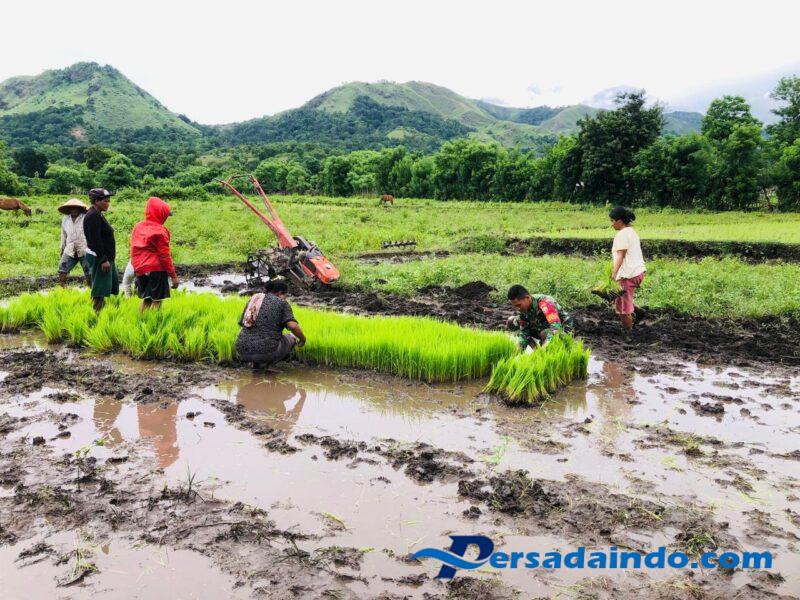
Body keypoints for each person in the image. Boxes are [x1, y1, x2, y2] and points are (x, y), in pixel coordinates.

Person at [236, 280, 307, 368]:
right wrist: (303, 339)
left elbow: (242, 323)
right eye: (286, 295)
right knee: (291, 338)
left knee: (263, 338)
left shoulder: (254, 300)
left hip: (242, 349)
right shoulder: (282, 303)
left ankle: (256, 367)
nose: (286, 298)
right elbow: (292, 326)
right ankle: (268, 366)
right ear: (280, 293)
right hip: (267, 352)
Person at [130, 197, 179, 311]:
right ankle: (154, 321)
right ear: (161, 214)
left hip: (141, 269)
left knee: (147, 299)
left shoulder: (138, 226)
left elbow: (133, 248)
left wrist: (137, 268)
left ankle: (142, 320)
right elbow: (164, 255)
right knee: (157, 300)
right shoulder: (161, 231)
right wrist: (173, 276)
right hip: (156, 269)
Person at [609, 206, 646, 331]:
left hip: (628, 275)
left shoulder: (622, 234)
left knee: (622, 310)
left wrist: (614, 273)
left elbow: (621, 256)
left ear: (619, 221)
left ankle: (628, 334)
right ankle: (638, 312)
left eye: (613, 221)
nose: (612, 224)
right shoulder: (631, 231)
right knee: (623, 299)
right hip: (637, 272)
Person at [83, 188, 119, 312]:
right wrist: (103, 259)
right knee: (100, 289)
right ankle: (97, 314)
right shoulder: (93, 216)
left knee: (102, 288)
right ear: (97, 201)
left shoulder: (97, 214)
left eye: (109, 201)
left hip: (103, 256)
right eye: (105, 201)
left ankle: (99, 312)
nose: (108, 203)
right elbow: (94, 240)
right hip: (99, 258)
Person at [507, 285, 573, 349]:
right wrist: (519, 349)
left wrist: (545, 346)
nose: (517, 309)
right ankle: (536, 349)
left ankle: (549, 349)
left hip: (562, 328)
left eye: (519, 305)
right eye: (515, 306)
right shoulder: (523, 309)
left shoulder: (545, 303)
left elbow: (556, 326)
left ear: (527, 297)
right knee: (512, 323)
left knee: (544, 333)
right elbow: (524, 331)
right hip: (542, 325)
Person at [57, 198, 91, 288]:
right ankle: (62, 288)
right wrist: (62, 248)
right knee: (62, 268)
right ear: (69, 209)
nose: (74, 210)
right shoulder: (65, 219)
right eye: (72, 208)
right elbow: (63, 234)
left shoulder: (85, 217)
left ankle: (90, 288)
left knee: (88, 271)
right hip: (70, 248)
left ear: (79, 209)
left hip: (84, 248)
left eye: (76, 208)